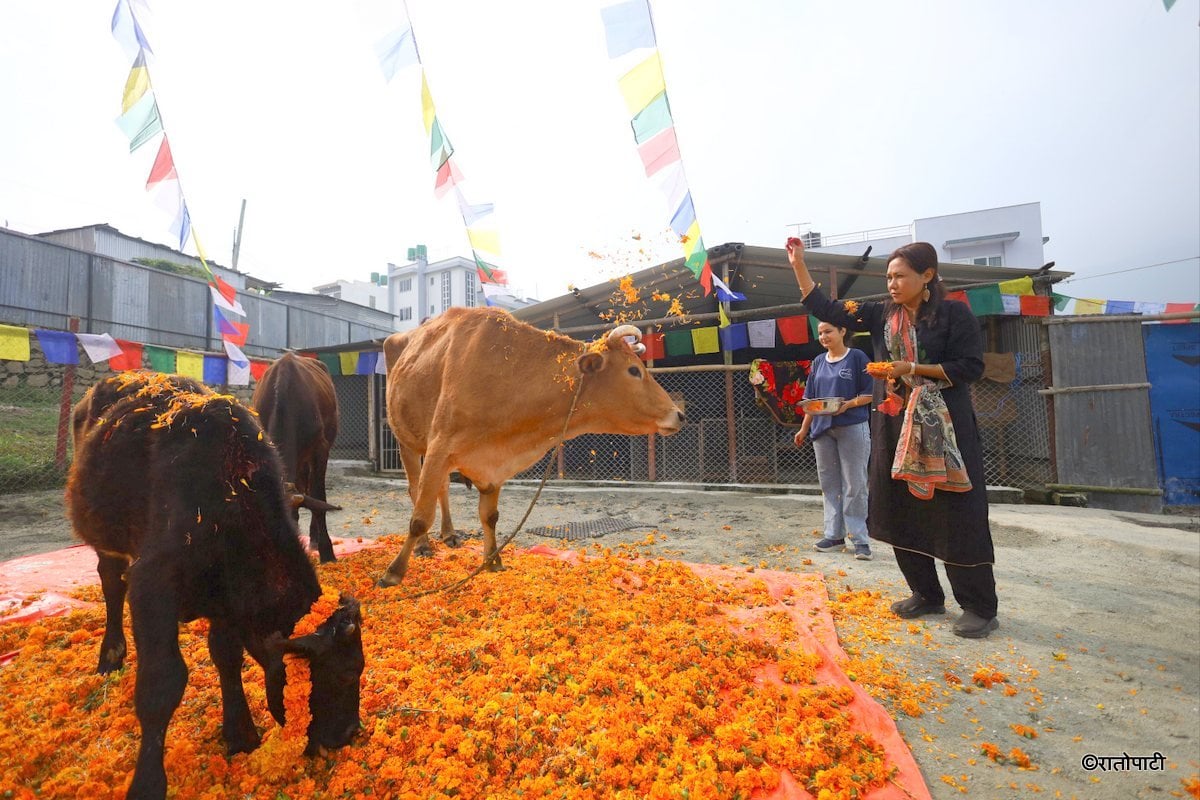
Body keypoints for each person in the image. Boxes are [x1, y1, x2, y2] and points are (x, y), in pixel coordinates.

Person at [787, 238, 999, 639]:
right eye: (888, 276)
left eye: (900, 276)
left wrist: (912, 366)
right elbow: (825, 307)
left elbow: (970, 367)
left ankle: (979, 607)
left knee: (957, 513)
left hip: (945, 427)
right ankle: (925, 593)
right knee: (900, 507)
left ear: (928, 276)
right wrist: (799, 263)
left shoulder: (954, 315)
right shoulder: (881, 314)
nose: (892, 283)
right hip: (896, 424)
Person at [794, 321, 874, 560]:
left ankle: (860, 540)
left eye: (828, 331)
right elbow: (811, 400)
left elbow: (870, 393)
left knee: (855, 483)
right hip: (821, 429)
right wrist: (803, 429)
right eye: (820, 333)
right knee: (829, 483)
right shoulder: (818, 362)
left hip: (852, 425)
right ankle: (834, 535)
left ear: (842, 331)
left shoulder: (857, 357)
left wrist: (848, 405)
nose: (823, 336)